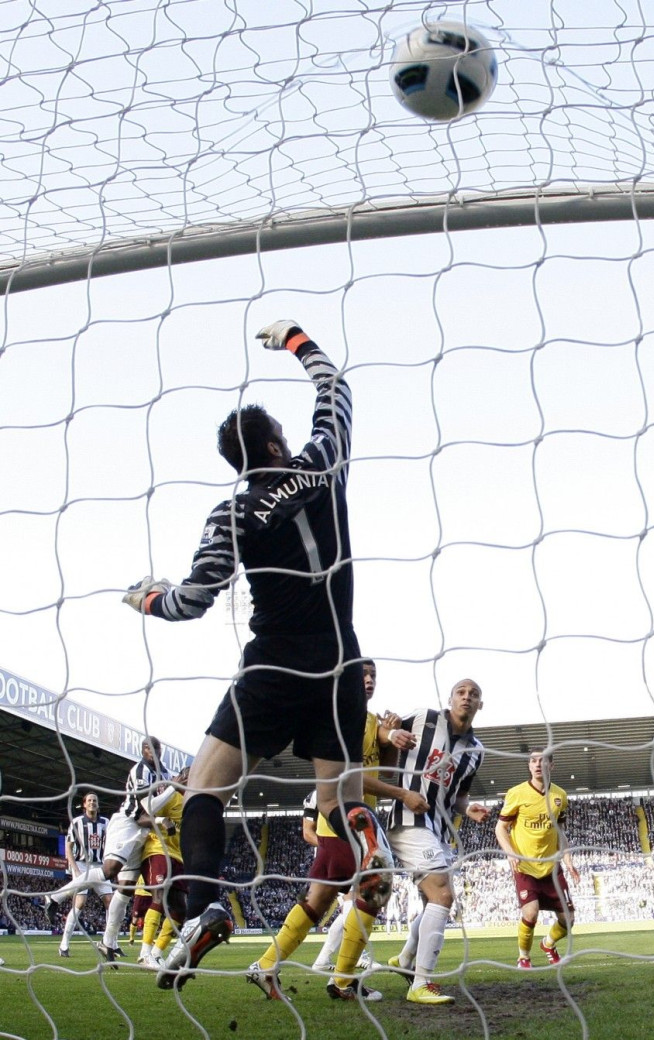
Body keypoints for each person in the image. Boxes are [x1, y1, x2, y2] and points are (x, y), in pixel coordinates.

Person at [123, 321, 393, 990]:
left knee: (206, 786)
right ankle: (368, 844)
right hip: (340, 659)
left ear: (238, 463)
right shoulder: (322, 463)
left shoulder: (233, 513)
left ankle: (205, 903)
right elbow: (337, 390)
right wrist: (296, 340)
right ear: (277, 442)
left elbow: (193, 601)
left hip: (274, 664)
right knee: (339, 796)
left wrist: (146, 598)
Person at [247, 658, 421, 1002]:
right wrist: (403, 794)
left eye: (374, 675)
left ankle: (265, 967)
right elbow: (352, 777)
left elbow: (385, 772)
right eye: (363, 675)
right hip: (344, 820)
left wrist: (389, 742)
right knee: (376, 886)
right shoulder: (342, 717)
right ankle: (342, 981)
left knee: (317, 901)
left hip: (350, 821)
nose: (369, 680)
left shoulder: (368, 721)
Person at [386, 679, 488, 1005]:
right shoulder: (423, 718)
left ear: (479, 705)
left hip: (439, 828)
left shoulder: (476, 752)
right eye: (461, 692)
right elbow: (381, 732)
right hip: (408, 818)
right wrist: (389, 734)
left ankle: (404, 959)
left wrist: (468, 808)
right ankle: (420, 983)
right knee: (442, 894)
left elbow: (459, 796)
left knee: (439, 899)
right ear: (451, 698)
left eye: (473, 695)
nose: (467, 698)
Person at [44, 736, 169, 962]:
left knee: (125, 890)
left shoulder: (166, 775)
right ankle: (54, 898)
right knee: (109, 871)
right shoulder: (140, 771)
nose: (155, 752)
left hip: (143, 835)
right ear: (143, 751)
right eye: (150, 749)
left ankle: (108, 941)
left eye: (158, 748)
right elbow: (142, 813)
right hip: (129, 824)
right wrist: (162, 822)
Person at [494, 748, 580, 968]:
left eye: (542, 761)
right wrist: (510, 852)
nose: (537, 764)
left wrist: (568, 860)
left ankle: (548, 944)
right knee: (530, 914)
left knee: (568, 920)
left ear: (551, 766)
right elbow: (500, 829)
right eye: (533, 761)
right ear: (529, 766)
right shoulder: (516, 793)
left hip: (552, 868)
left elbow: (560, 832)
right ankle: (523, 956)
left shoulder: (560, 796)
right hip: (526, 866)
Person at [137, 767, 190, 968]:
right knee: (158, 896)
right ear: (183, 777)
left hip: (179, 857)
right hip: (158, 849)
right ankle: (144, 953)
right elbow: (142, 817)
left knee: (180, 908)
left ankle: (157, 953)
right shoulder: (169, 795)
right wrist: (161, 820)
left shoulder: (193, 803)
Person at [56, 792, 113, 957]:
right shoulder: (77, 822)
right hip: (82, 865)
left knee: (110, 901)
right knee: (80, 902)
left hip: (101, 866)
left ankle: (109, 943)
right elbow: (68, 847)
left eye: (95, 800)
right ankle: (64, 945)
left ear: (98, 804)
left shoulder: (106, 823)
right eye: (89, 800)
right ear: (84, 804)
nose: (92, 803)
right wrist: (74, 869)